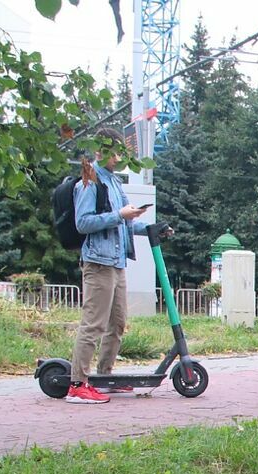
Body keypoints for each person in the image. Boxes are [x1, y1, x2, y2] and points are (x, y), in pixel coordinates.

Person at [64, 127, 150, 404]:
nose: (118, 158)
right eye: (113, 152)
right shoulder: (88, 184)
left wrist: (152, 228)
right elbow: (83, 223)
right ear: (100, 151)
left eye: (121, 153)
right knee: (94, 324)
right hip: (98, 263)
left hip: (117, 262)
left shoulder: (114, 183)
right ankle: (78, 384)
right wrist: (118, 215)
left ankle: (105, 375)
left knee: (118, 322)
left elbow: (127, 221)